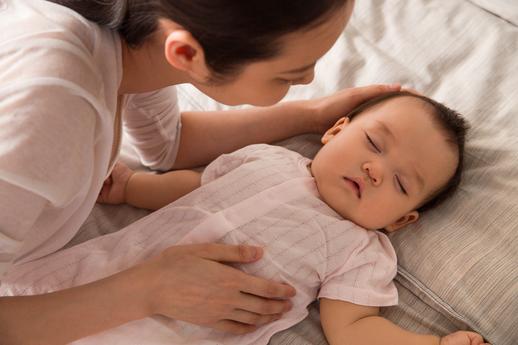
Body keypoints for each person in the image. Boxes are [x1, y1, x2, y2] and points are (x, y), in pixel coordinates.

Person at [0, 0, 409, 343]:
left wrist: (310, 114)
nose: (310, 78)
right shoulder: (49, 107)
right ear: (189, 55)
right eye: (289, 74)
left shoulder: (135, 35)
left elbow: (168, 144)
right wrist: (147, 291)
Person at [1, 92, 489, 345]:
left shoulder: (362, 250)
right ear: (335, 131)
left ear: (402, 220)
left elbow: (355, 330)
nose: (376, 169)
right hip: (106, 275)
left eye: (402, 183)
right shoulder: (267, 159)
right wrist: (133, 187)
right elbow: (196, 185)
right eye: (373, 144)